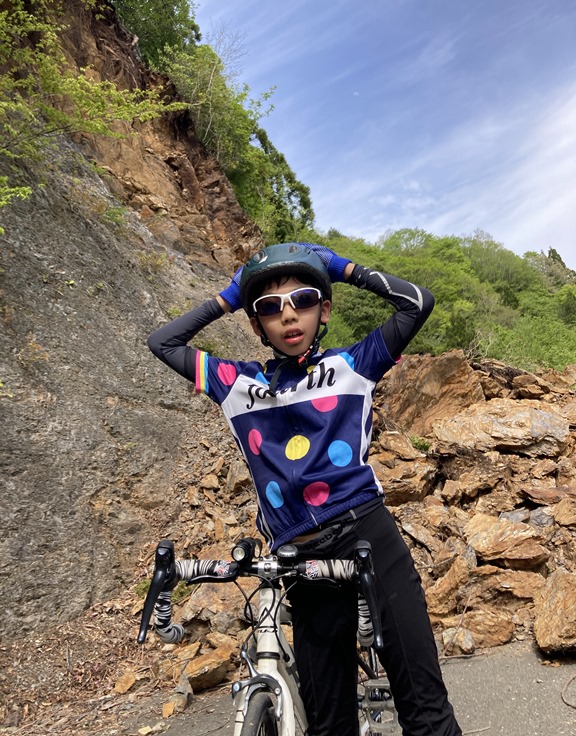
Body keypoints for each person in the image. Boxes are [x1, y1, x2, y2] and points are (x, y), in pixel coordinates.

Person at [148, 242, 462, 736]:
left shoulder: (354, 365)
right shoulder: (237, 383)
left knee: (426, 712)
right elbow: (163, 342)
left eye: (304, 299)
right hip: (299, 556)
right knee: (329, 726)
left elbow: (417, 303)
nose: (289, 315)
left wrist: (342, 268)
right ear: (257, 325)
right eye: (270, 307)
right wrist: (230, 296)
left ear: (325, 311)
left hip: (368, 536)